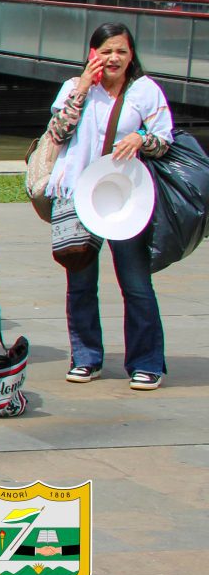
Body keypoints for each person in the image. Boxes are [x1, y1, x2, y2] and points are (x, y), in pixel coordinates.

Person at [46, 22, 173, 389]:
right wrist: (83, 88)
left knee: (135, 283)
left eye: (120, 50)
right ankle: (86, 357)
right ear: (92, 55)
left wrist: (141, 138)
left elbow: (164, 140)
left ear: (132, 54)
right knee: (80, 279)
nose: (113, 58)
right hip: (80, 194)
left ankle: (146, 362)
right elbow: (57, 134)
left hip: (127, 196)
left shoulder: (145, 91)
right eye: (105, 51)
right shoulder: (74, 87)